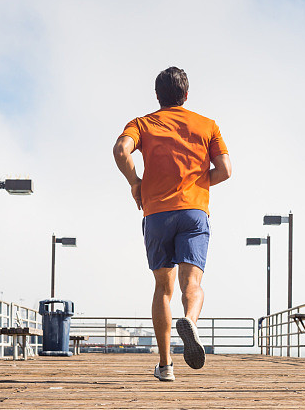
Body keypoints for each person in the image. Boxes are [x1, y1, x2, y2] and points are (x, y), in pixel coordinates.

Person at [113, 66, 232, 382]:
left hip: (157, 214)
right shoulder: (208, 126)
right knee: (192, 284)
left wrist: (134, 182)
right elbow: (226, 170)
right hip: (194, 213)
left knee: (163, 288)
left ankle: (165, 366)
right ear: (186, 95)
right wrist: (198, 182)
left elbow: (121, 150)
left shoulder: (143, 124)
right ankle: (190, 320)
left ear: (157, 96)